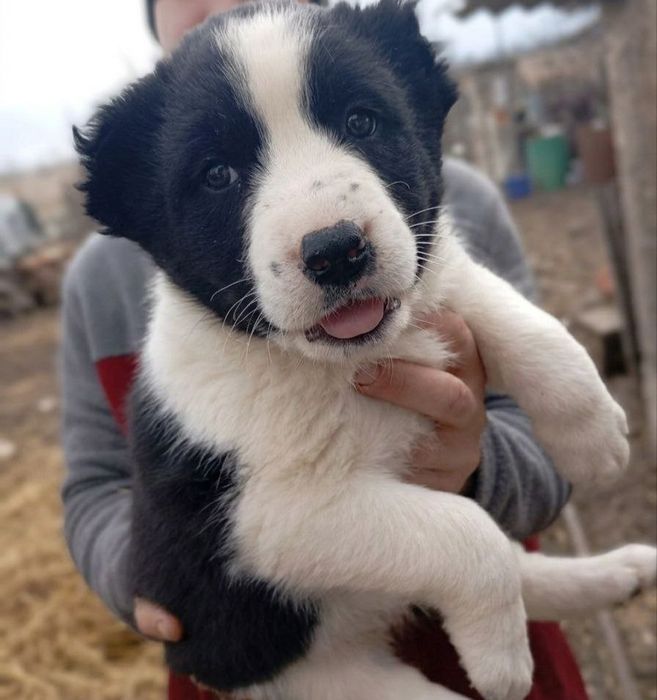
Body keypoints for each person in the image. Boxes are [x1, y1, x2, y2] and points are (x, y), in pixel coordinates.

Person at [60, 1, 588, 698]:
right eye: (217, 173)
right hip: (277, 645)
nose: (234, 10)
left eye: (359, 122)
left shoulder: (460, 204)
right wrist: (139, 574)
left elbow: (562, 452)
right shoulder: (101, 285)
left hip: (491, 622)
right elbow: (95, 485)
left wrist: (473, 472)